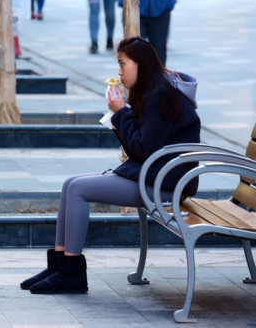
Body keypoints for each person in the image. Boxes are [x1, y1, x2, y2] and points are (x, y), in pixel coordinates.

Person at [19, 37, 200, 294]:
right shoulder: (156, 93)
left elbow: (143, 149)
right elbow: (141, 147)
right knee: (70, 184)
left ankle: (72, 273)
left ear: (139, 65)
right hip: (153, 177)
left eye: (122, 63)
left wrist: (120, 113)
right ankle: (60, 265)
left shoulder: (162, 97)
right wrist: (121, 114)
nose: (119, 71)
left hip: (164, 185)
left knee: (78, 189)